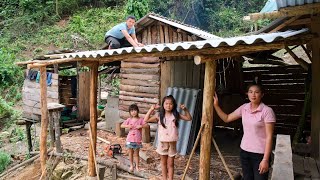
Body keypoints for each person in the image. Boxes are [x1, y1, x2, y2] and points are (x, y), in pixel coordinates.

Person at [213, 83, 276, 180]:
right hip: (245, 152)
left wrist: (265, 159)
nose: (253, 95)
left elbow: (269, 137)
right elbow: (227, 118)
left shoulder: (267, 111)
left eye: (256, 92)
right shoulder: (244, 108)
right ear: (247, 94)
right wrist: (216, 106)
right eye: (250, 92)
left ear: (262, 94)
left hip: (260, 154)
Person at [144, 95, 192, 180]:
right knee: (163, 163)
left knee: (171, 164)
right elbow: (145, 120)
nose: (168, 105)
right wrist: (151, 109)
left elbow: (189, 118)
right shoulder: (159, 115)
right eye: (166, 103)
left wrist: (185, 110)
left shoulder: (176, 115)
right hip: (162, 143)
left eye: (170, 104)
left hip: (172, 143)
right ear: (163, 104)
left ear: (174, 105)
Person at [121, 104, 147, 172]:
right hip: (130, 139)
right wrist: (128, 126)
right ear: (129, 112)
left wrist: (141, 126)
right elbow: (122, 125)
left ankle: (137, 166)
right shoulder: (129, 119)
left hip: (137, 139)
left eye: (135, 110)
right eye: (132, 111)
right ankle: (132, 165)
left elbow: (146, 125)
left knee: (136, 153)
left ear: (137, 111)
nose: (133, 112)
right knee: (130, 153)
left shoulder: (141, 119)